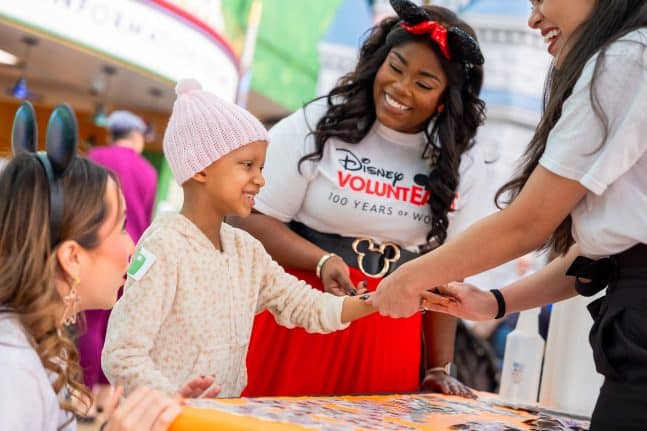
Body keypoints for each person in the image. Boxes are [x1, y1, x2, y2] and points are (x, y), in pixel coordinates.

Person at [372, 1, 647, 429]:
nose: (533, 19)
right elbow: (608, 252)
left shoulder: (627, 58)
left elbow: (525, 223)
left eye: (541, 0)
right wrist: (495, 302)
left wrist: (408, 278)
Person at [230, 0, 488, 398]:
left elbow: (448, 272)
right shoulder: (319, 123)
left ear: (444, 98)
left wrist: (438, 367)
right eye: (396, 68)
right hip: (300, 319)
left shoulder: (459, 163)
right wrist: (321, 260)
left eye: (423, 83)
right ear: (378, 62)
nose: (400, 89)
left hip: (388, 336)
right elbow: (246, 217)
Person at [101, 79, 376, 398]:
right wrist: (174, 401)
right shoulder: (163, 247)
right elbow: (122, 354)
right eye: (247, 165)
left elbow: (302, 304)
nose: (260, 179)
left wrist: (375, 302)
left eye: (261, 167)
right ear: (201, 169)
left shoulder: (246, 251)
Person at [0, 102, 181, 430]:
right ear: (72, 257)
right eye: (122, 227)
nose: (132, 246)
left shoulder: (35, 339)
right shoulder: (13, 369)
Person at [77, 109, 158, 416]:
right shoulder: (149, 171)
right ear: (136, 137)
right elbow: (147, 221)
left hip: (98, 250)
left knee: (90, 325)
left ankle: (84, 394)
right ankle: (108, 397)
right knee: (117, 327)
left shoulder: (95, 157)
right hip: (132, 256)